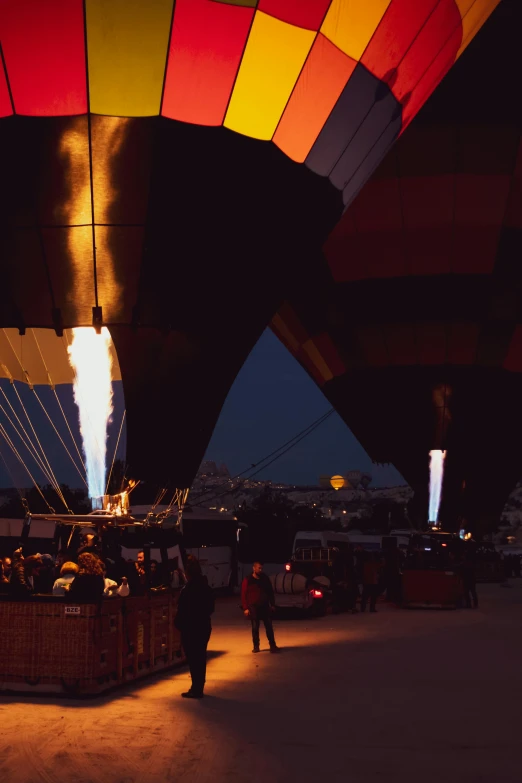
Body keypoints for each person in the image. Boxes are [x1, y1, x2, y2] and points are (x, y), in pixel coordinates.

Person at [174, 556, 214, 699]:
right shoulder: (206, 587)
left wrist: (179, 624)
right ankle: (199, 687)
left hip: (191, 628)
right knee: (201, 657)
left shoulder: (188, 590)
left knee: (193, 659)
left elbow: (182, 609)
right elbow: (211, 607)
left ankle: (196, 688)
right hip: (204, 626)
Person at [241, 562, 279, 653]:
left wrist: (272, 604)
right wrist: (245, 608)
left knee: (269, 626)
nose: (260, 570)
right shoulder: (248, 579)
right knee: (255, 628)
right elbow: (243, 594)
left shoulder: (265, 578)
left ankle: (272, 645)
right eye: (259, 568)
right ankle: (256, 646)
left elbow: (270, 592)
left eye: (261, 568)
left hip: (265, 606)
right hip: (253, 607)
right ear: (254, 568)